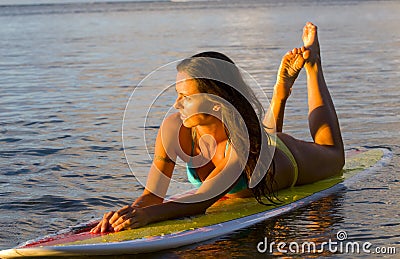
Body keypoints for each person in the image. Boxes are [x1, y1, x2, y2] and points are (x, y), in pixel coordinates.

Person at [91, 22, 344, 233]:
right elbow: (153, 196)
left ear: (215, 103)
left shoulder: (240, 146)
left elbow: (203, 200)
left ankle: (313, 66)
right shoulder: (173, 129)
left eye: (186, 97)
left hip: (286, 160)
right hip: (259, 144)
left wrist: (150, 217)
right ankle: (279, 93)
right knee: (262, 137)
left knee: (333, 153)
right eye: (178, 94)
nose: (177, 104)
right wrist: (132, 212)